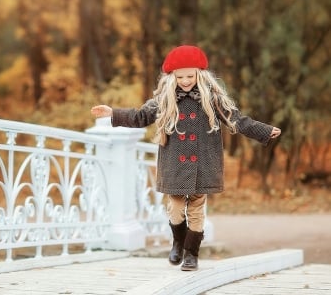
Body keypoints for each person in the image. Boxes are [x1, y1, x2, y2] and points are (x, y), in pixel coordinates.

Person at [90, 45, 281, 271]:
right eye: (180, 77)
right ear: (172, 77)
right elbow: (140, 116)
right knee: (176, 209)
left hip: (203, 163)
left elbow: (237, 120)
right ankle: (178, 242)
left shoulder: (212, 99)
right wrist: (113, 113)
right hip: (175, 165)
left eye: (190, 76)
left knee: (196, 210)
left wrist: (264, 131)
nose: (186, 81)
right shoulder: (165, 99)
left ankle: (191, 254)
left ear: (200, 74)